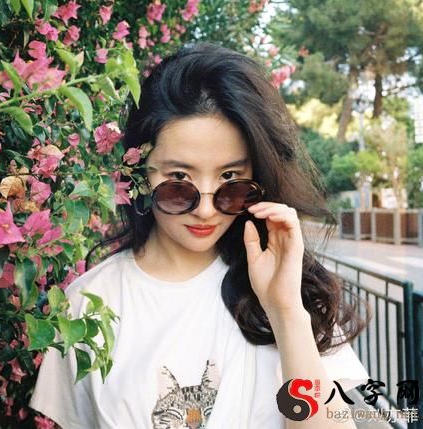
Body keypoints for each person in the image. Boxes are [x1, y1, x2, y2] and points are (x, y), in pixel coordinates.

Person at [29, 42, 370, 428]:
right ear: (138, 171)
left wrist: (285, 310)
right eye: (179, 178)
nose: (206, 209)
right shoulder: (88, 304)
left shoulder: (291, 290)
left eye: (230, 178)